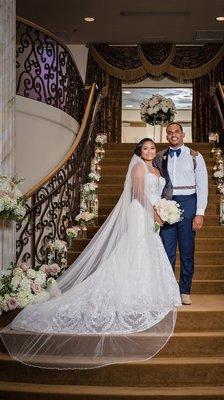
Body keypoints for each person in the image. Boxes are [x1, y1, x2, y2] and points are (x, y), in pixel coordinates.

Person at [0, 138, 181, 369]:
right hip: (140, 212)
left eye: (152, 148)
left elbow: (159, 192)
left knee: (149, 249)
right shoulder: (138, 167)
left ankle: (146, 288)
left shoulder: (157, 167)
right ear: (139, 151)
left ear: (156, 150)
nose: (149, 151)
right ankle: (131, 289)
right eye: (145, 148)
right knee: (135, 248)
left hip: (153, 213)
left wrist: (163, 210)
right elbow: (137, 193)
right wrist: (154, 212)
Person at [155, 123, 208, 305]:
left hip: (189, 202)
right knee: (167, 251)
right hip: (167, 204)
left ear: (183, 134)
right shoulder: (159, 157)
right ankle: (168, 291)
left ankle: (185, 291)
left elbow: (203, 186)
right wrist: (157, 209)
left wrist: (199, 213)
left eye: (176, 132)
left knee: (187, 251)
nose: (173, 135)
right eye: (169, 133)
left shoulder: (195, 156)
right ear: (167, 136)